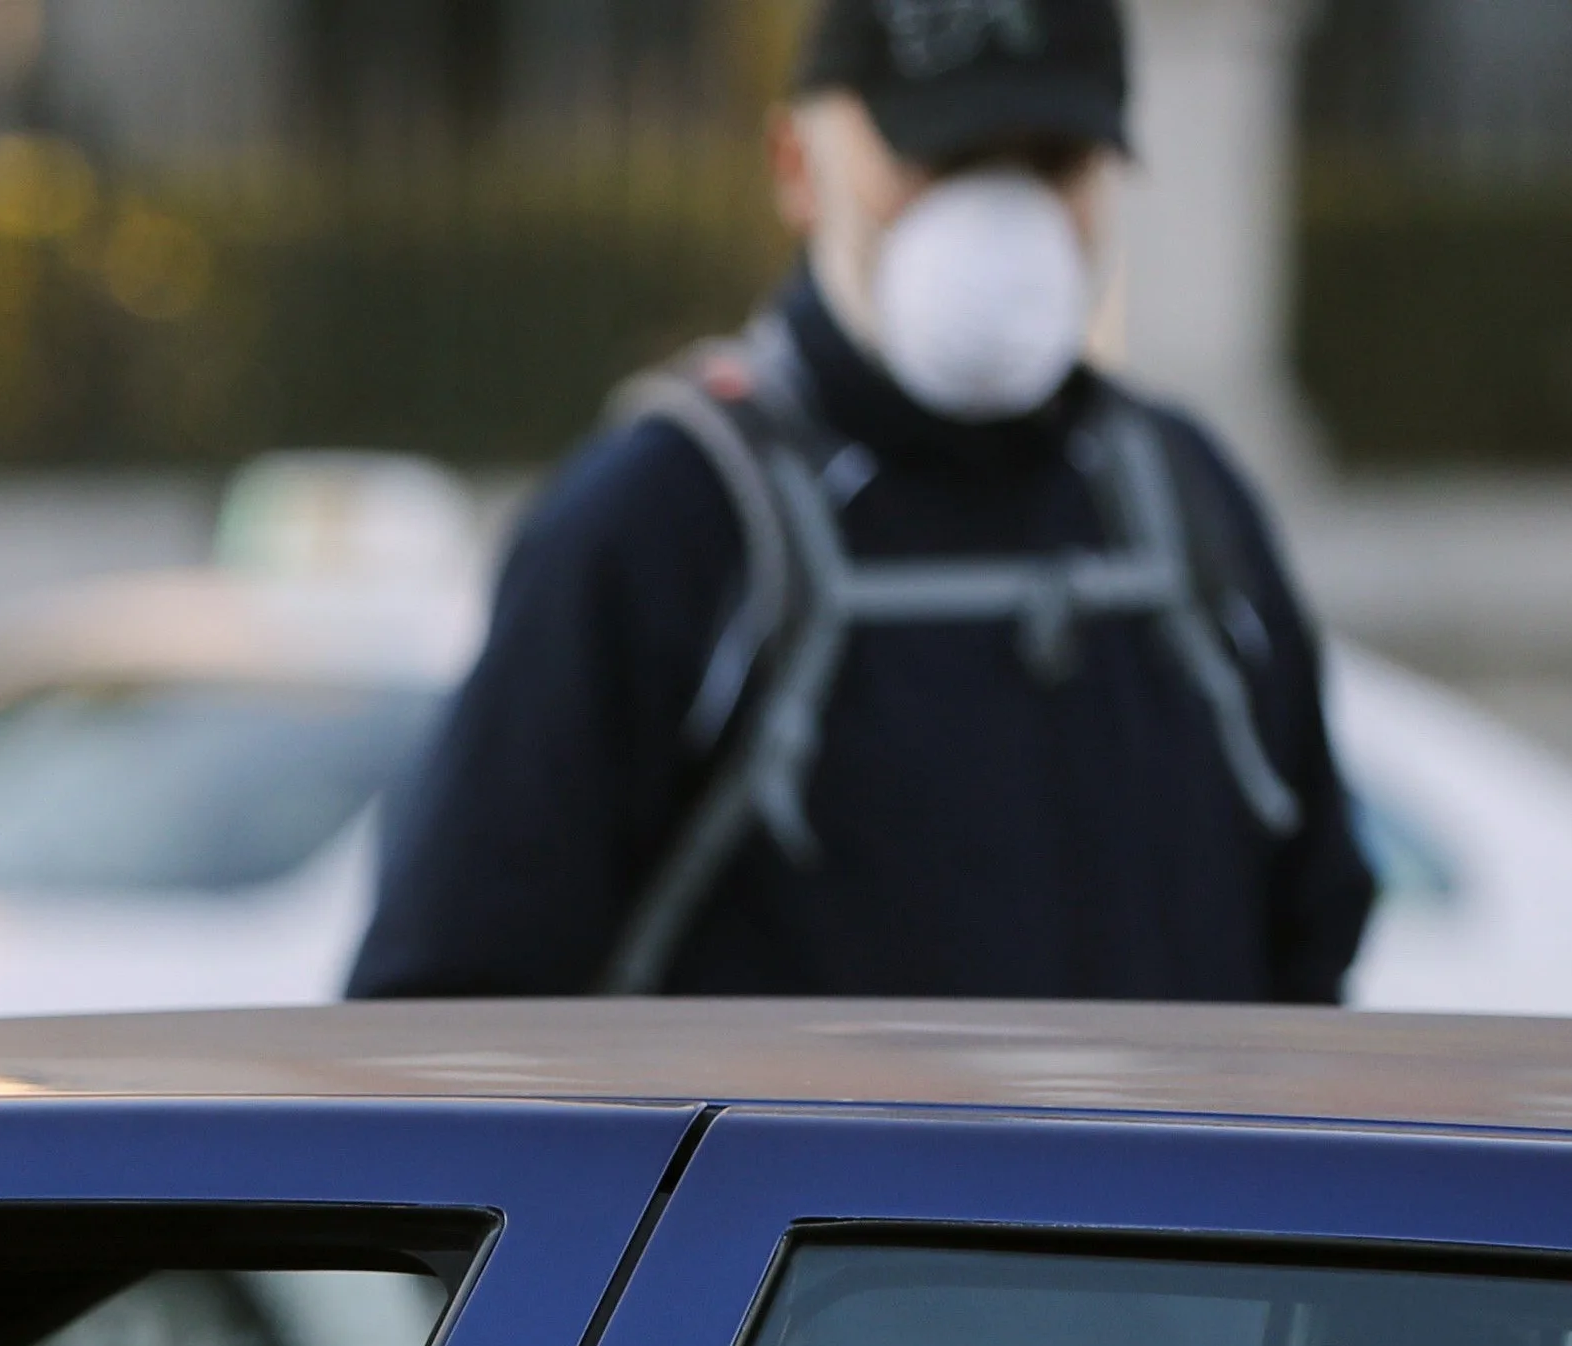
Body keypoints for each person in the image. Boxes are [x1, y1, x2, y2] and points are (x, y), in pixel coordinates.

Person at [347, 0, 1373, 1010]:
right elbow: (448, 1009)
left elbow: (1312, 947)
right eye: (943, 160)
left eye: (1052, 162)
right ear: (798, 166)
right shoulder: (666, 521)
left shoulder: (1184, 502)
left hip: (1149, 1189)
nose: (1000, 216)